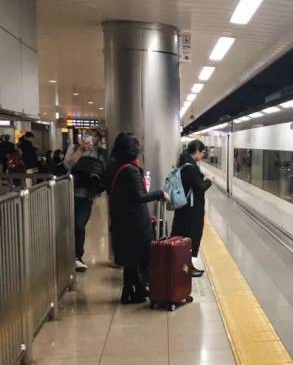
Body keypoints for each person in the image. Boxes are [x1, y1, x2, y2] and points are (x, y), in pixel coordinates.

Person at [107, 132, 169, 304]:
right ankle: (130, 293)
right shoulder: (130, 170)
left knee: (131, 259)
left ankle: (135, 291)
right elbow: (139, 197)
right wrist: (159, 193)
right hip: (134, 223)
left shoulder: (116, 166)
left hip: (122, 220)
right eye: (136, 145)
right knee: (137, 257)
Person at [64, 129, 108, 272]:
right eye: (89, 134)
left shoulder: (101, 153)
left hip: (86, 195)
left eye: (95, 135)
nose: (91, 137)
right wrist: (81, 150)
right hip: (68, 193)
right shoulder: (74, 148)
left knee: (79, 225)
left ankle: (77, 256)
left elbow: (103, 172)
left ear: (99, 139)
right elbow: (67, 165)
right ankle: (67, 256)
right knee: (65, 227)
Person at [171, 140, 212, 277]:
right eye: (202, 152)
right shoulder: (191, 167)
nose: (203, 155)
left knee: (185, 237)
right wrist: (209, 180)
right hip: (191, 211)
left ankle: (187, 265)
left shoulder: (185, 163)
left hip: (186, 209)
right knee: (190, 237)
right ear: (197, 151)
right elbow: (200, 188)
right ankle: (186, 267)